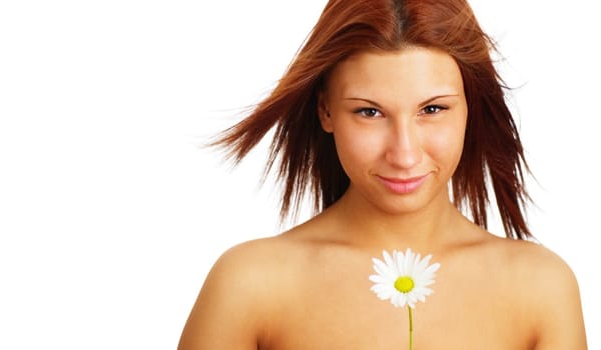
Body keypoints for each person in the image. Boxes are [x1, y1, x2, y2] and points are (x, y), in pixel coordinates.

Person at [178, 0, 587, 349]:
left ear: (470, 107)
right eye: (369, 112)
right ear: (326, 111)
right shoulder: (250, 285)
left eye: (432, 109)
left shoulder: (540, 289)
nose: (404, 154)